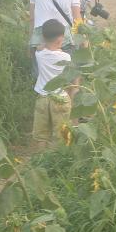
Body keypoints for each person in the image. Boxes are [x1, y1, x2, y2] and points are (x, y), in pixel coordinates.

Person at [32, 18, 77, 147]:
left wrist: (47, 44)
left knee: (42, 135)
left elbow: (41, 46)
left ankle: (41, 159)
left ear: (44, 37)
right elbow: (71, 77)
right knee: (61, 134)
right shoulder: (66, 57)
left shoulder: (39, 54)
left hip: (43, 98)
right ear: (60, 40)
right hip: (60, 98)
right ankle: (59, 160)